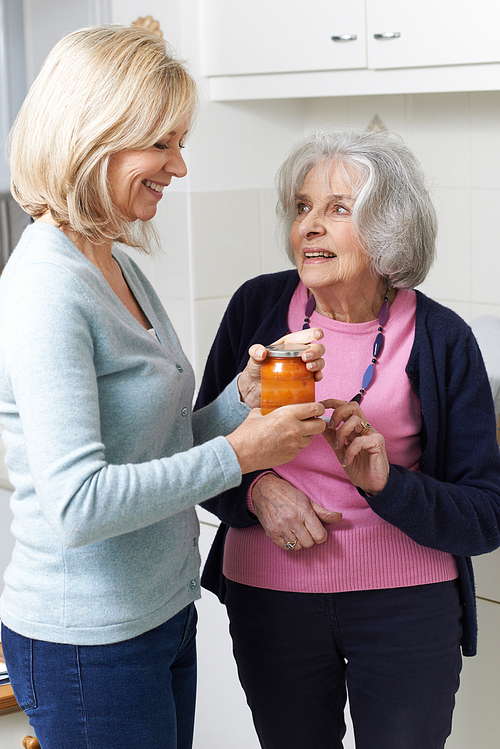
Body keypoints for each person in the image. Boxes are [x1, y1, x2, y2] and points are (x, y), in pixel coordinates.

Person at [0, 26, 328, 749]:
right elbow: (79, 504)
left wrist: (244, 394)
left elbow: (157, 440)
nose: (178, 165)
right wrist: (243, 454)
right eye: (163, 143)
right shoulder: (48, 291)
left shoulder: (112, 262)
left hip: (159, 617)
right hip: (91, 644)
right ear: (96, 136)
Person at [196, 128, 500, 749]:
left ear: (389, 229)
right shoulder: (254, 308)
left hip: (407, 607)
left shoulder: (442, 338)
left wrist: (389, 484)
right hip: (271, 600)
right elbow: (195, 451)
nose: (310, 225)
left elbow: (486, 514)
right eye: (302, 207)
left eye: (338, 210)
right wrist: (258, 490)